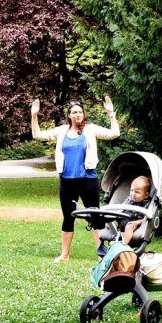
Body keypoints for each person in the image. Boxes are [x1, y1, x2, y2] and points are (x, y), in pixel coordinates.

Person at [31, 97, 120, 263]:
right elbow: (37, 135)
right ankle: (65, 255)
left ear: (83, 114)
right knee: (68, 216)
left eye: (80, 112)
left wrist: (111, 113)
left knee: (96, 216)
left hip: (88, 179)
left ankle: (102, 255)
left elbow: (114, 134)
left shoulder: (90, 129)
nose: (78, 114)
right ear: (69, 115)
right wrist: (34, 115)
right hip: (67, 180)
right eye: (74, 112)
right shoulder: (61, 131)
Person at [98, 175, 152, 256]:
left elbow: (146, 218)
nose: (133, 194)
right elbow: (122, 209)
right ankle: (112, 227)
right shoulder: (129, 199)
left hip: (134, 222)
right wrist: (115, 215)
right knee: (113, 220)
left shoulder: (146, 204)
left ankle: (122, 247)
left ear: (146, 195)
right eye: (132, 190)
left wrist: (136, 223)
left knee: (129, 227)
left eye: (137, 192)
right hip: (123, 219)